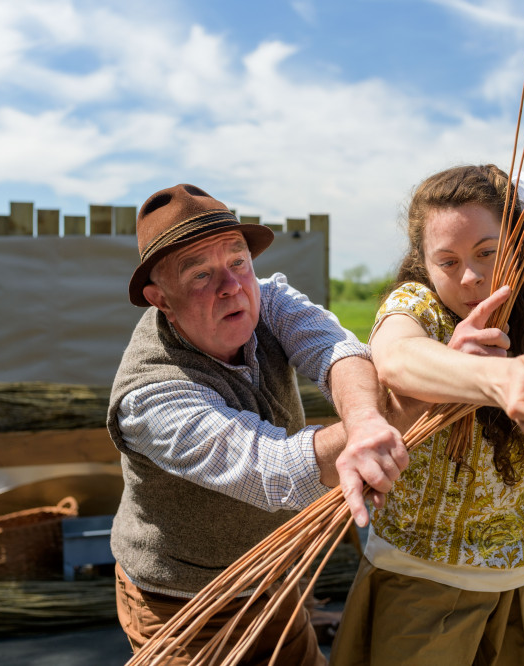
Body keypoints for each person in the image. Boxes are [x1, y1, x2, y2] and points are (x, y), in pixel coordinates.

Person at [105, 183, 407, 664]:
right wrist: (415, 403)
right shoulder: (150, 396)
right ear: (161, 299)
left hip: (272, 577)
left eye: (238, 261)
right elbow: (277, 472)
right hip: (183, 604)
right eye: (201, 274)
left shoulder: (266, 298)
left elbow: (334, 349)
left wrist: (368, 417)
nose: (231, 286)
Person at [330, 164, 524, 665]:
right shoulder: (417, 306)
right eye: (448, 261)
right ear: (423, 263)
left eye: (486, 252)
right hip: (422, 589)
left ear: (517, 246)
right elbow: (397, 357)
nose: (471, 276)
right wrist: (498, 380)